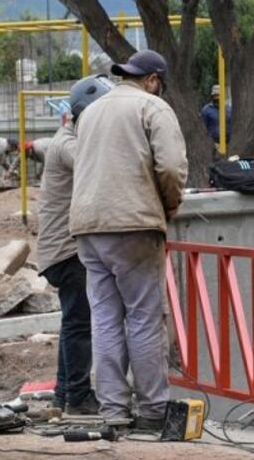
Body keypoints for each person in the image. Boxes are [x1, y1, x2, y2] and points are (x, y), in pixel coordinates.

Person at [71, 50, 188, 431]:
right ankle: (153, 411)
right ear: (152, 80)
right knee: (144, 317)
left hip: (88, 226)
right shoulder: (152, 107)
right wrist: (169, 205)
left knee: (105, 318)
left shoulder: (91, 112)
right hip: (133, 224)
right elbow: (170, 167)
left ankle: (113, 412)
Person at [37, 76, 114, 416]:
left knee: (74, 321)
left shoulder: (68, 138)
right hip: (67, 251)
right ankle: (79, 398)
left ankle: (65, 392)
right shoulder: (69, 145)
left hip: (62, 248)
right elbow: (98, 166)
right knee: (80, 324)